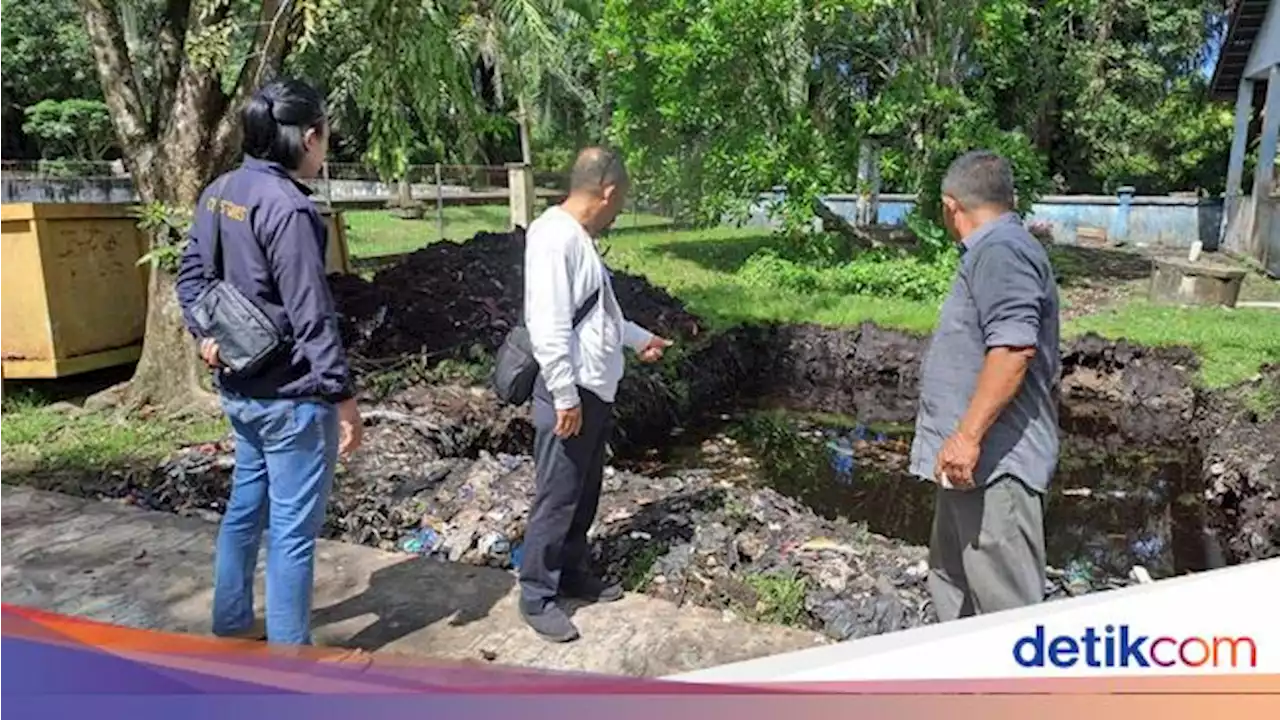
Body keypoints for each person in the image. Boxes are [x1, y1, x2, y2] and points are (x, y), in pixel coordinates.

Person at [175, 78, 363, 646]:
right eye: (326, 137)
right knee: (291, 534)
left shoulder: (219, 191)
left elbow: (190, 279)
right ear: (309, 138)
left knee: (244, 512)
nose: (325, 148)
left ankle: (231, 626)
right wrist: (343, 397)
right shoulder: (291, 209)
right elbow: (311, 316)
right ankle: (290, 659)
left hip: (241, 393)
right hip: (293, 400)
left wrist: (206, 335)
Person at [519, 146, 672, 643]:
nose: (621, 207)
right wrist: (564, 396)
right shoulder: (552, 239)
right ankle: (536, 593)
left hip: (594, 391)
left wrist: (640, 338)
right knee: (557, 497)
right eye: (622, 197)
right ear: (607, 192)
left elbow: (601, 316)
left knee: (584, 493)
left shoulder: (579, 240)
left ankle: (574, 572)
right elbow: (547, 325)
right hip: (571, 394)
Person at [908, 150, 1061, 621]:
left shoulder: (1001, 251)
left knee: (1007, 615)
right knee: (953, 586)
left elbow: (1013, 351)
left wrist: (967, 437)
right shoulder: (994, 250)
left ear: (951, 206)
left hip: (995, 468)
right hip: (970, 469)